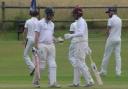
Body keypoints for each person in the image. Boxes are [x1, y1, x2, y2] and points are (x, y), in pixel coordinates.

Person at [64, 6, 94, 87]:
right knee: (78, 63)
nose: (73, 15)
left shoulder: (81, 21)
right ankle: (76, 82)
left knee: (80, 62)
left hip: (80, 43)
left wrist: (71, 35)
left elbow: (81, 33)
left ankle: (90, 81)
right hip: (80, 43)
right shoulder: (80, 21)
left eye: (74, 14)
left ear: (77, 14)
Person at [34, 7, 60, 88]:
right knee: (41, 66)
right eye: (50, 14)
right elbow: (37, 35)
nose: (52, 16)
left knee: (53, 64)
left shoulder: (52, 24)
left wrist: (56, 40)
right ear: (46, 14)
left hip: (51, 45)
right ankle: (36, 82)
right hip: (42, 45)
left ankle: (53, 82)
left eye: (52, 15)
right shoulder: (40, 23)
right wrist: (36, 46)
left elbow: (51, 35)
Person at [99, 7, 122, 77]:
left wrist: (105, 39)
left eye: (109, 12)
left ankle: (103, 71)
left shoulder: (110, 20)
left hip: (111, 39)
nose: (108, 14)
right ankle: (118, 73)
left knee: (106, 55)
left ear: (112, 12)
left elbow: (108, 30)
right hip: (118, 39)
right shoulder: (120, 19)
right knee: (118, 56)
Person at [23, 8, 39, 76]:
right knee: (34, 55)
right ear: (37, 14)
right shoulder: (39, 21)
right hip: (36, 40)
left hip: (29, 39)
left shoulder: (28, 21)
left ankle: (32, 67)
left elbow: (25, 31)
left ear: (30, 14)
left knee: (25, 55)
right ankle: (33, 70)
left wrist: (23, 40)